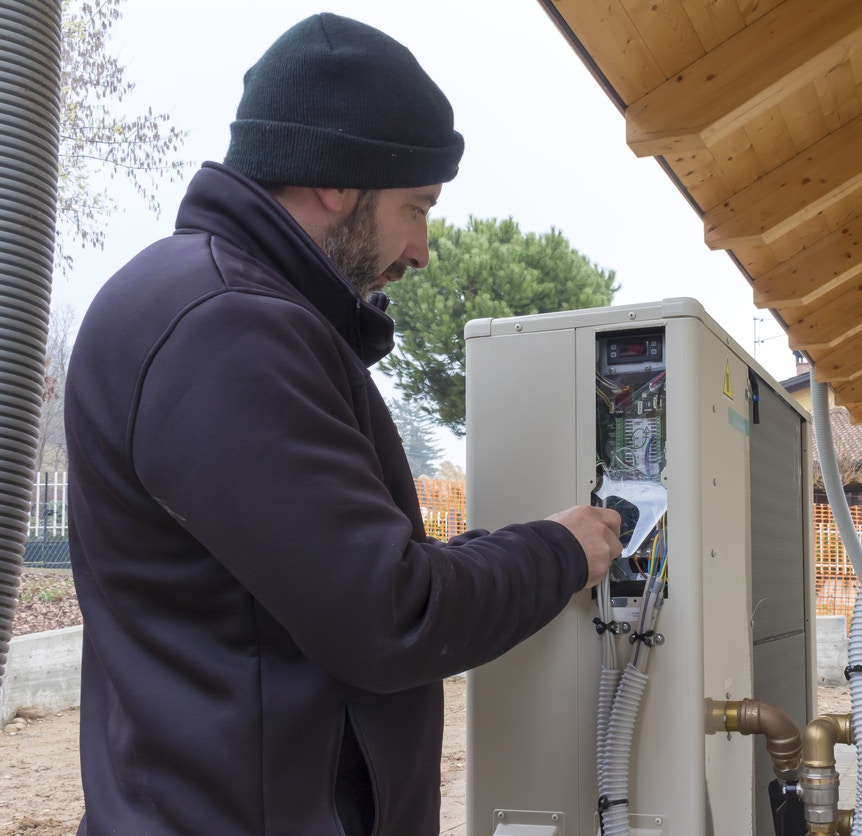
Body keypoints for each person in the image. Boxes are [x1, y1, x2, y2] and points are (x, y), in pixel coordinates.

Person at [64, 13, 621, 835]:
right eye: (416, 207)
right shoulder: (226, 329)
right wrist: (559, 553)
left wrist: (513, 546)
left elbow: (324, 582)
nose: (422, 249)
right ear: (337, 181)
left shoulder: (215, 305)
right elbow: (390, 615)